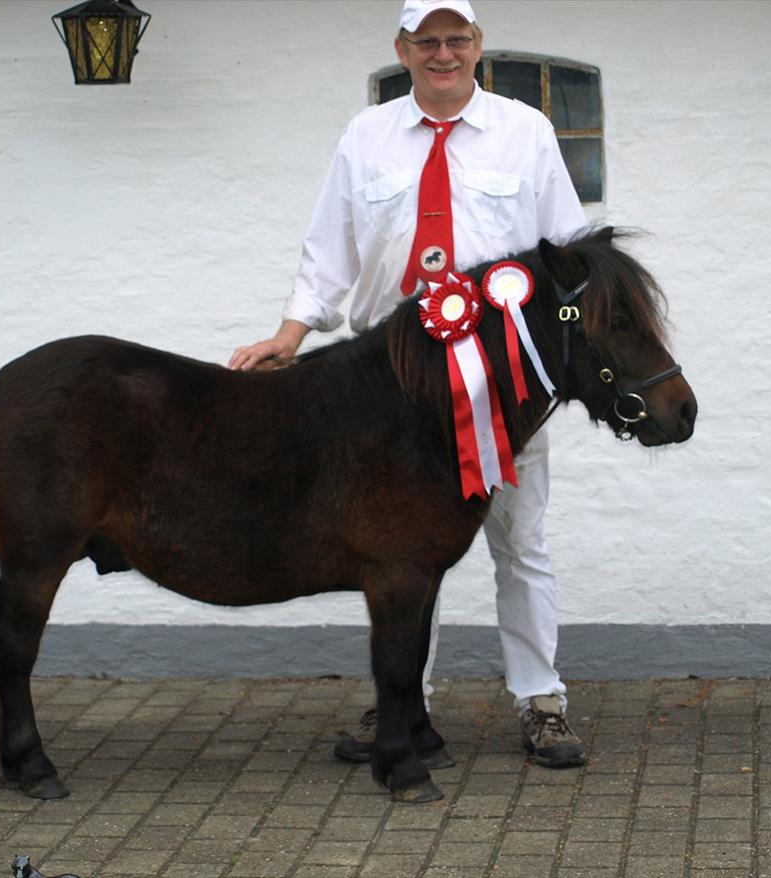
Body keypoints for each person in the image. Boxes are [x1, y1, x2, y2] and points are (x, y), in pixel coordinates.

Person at [229, 0, 586, 768]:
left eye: (457, 39)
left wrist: (563, 354)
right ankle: (403, 704)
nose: (444, 54)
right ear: (403, 47)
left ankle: (542, 701)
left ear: (478, 44)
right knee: (397, 552)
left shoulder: (527, 131)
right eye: (428, 41)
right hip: (384, 394)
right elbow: (330, 245)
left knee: (521, 543)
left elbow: (566, 253)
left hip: (503, 386)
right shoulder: (367, 136)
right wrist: (291, 335)